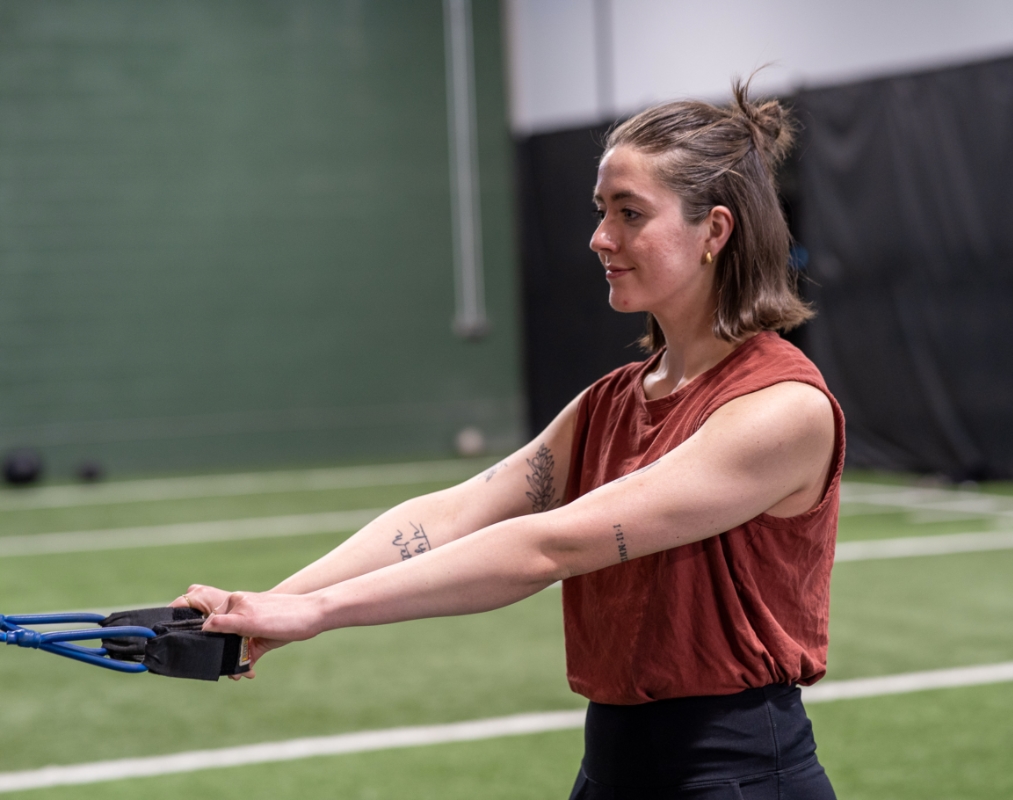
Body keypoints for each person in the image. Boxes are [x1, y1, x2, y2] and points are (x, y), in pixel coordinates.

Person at [177, 78, 843, 799]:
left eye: (629, 214)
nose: (600, 238)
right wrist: (266, 605)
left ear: (714, 232)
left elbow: (547, 545)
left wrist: (316, 614)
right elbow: (456, 512)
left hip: (736, 776)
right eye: (600, 212)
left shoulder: (782, 408)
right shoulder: (610, 403)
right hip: (612, 767)